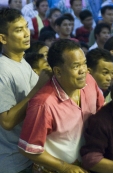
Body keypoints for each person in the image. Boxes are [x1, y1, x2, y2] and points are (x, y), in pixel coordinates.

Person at [18, 39, 104, 173]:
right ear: (58, 71)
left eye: (84, 64)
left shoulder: (90, 81)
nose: (83, 71)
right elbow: (29, 149)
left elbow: (101, 115)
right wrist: (65, 167)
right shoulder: (43, 104)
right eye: (76, 66)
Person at [0, 8, 50, 173]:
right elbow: (7, 121)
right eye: (18, 30)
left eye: (26, 27)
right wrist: (37, 87)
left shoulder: (22, 62)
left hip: (28, 158)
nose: (27, 33)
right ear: (3, 38)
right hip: (13, 162)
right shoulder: (2, 69)